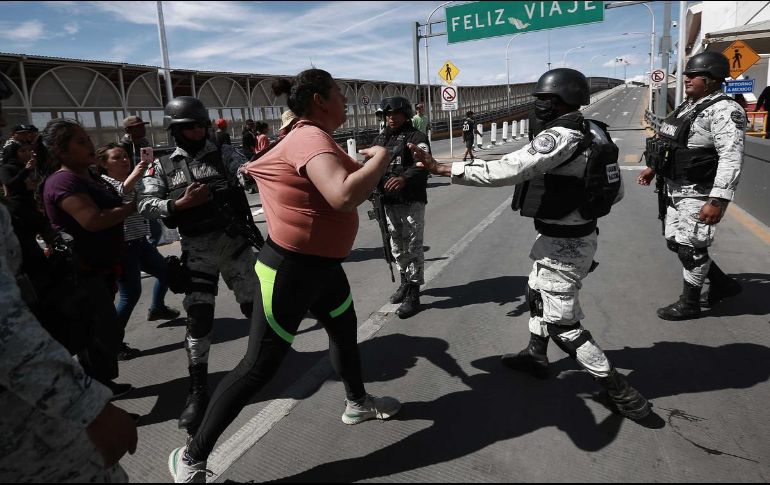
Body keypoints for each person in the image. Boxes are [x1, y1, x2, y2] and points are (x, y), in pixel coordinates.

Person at [168, 69, 401, 483]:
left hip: (323, 268)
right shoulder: (310, 136)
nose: (346, 102)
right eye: (339, 94)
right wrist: (381, 157)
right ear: (318, 100)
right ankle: (190, 457)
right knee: (258, 366)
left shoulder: (311, 135)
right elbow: (343, 195)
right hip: (290, 270)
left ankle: (357, 403)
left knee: (344, 334)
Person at [410, 68, 651, 422]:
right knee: (535, 291)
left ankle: (620, 390)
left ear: (563, 101)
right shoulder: (594, 130)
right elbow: (615, 190)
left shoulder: (562, 136)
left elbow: (508, 169)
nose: (538, 106)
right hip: (571, 234)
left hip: (566, 243)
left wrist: (445, 169)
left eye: (544, 100)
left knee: (563, 325)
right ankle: (536, 355)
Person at [136, 96, 260, 432]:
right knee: (199, 319)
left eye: (200, 125)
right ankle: (198, 390)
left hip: (234, 246)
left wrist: (254, 169)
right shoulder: (162, 166)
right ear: (175, 130)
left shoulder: (224, 152)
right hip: (197, 251)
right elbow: (145, 204)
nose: (196, 131)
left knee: (255, 309)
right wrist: (179, 205)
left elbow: (246, 171)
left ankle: (262, 366)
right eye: (188, 126)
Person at [638, 52, 745, 320]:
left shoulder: (725, 109)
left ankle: (690, 303)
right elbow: (670, 142)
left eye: (692, 75)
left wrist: (718, 199)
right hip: (675, 186)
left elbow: (731, 156)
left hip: (699, 191)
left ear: (711, 80)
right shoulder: (688, 105)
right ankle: (723, 284)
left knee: (691, 248)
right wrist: (653, 168)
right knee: (676, 242)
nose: (685, 79)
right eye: (686, 74)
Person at [41, 118, 136, 398]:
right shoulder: (63, 181)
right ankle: (99, 399)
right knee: (99, 334)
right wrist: (132, 208)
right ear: (60, 150)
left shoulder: (88, 175)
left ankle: (104, 386)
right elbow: (92, 220)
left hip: (100, 267)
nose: (90, 145)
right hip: (80, 271)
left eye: (88, 138)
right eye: (80, 142)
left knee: (102, 333)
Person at [97, 143, 180, 360]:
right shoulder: (104, 183)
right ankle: (112, 344)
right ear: (103, 164)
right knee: (129, 295)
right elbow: (119, 194)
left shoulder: (135, 180)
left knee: (166, 273)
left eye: (125, 156)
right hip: (124, 246)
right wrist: (137, 173)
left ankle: (157, 307)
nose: (124, 160)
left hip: (140, 241)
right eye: (117, 158)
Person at [371, 96, 431, 318]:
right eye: (387, 114)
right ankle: (405, 280)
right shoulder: (381, 139)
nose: (390, 118)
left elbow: (423, 164)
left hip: (411, 199)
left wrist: (404, 178)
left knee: (413, 244)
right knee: (396, 243)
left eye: (394, 113)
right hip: (388, 201)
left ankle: (414, 291)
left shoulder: (417, 137)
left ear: (405, 114)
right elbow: (370, 166)